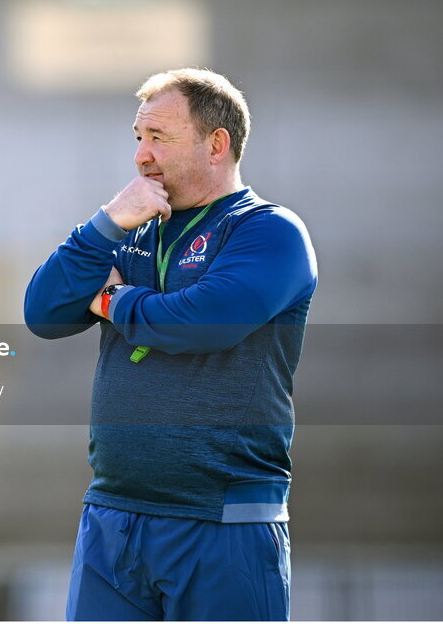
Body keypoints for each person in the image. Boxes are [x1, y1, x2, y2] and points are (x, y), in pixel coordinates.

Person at [24, 69, 317, 621]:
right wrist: (105, 224)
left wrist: (110, 300)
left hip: (224, 522)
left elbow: (200, 323)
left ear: (216, 144)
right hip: (113, 516)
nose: (141, 155)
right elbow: (42, 312)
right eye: (138, 137)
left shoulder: (269, 232)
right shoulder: (130, 227)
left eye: (159, 137)